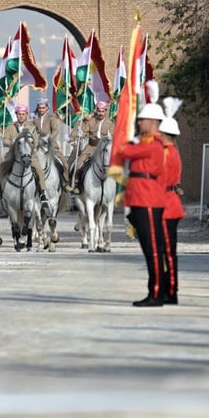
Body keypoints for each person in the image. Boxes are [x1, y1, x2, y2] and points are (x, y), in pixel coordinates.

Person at [113, 103, 168, 307]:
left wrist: (127, 134)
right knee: (148, 248)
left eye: (142, 119)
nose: (139, 122)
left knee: (153, 249)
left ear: (153, 122)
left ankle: (156, 293)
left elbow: (125, 151)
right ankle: (154, 291)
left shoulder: (154, 144)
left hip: (148, 200)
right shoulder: (145, 142)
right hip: (139, 200)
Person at [158, 112, 183, 305]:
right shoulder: (170, 150)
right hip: (167, 201)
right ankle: (168, 289)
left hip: (165, 203)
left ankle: (170, 290)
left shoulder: (166, 152)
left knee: (167, 251)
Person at [69, 101, 114, 194]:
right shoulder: (90, 121)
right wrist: (80, 134)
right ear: (96, 111)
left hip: (103, 149)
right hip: (91, 147)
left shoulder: (110, 125)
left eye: (103, 111)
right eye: (99, 111)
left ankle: (114, 188)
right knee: (79, 163)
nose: (101, 113)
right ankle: (77, 184)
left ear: (106, 111)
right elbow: (84, 133)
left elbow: (113, 137)